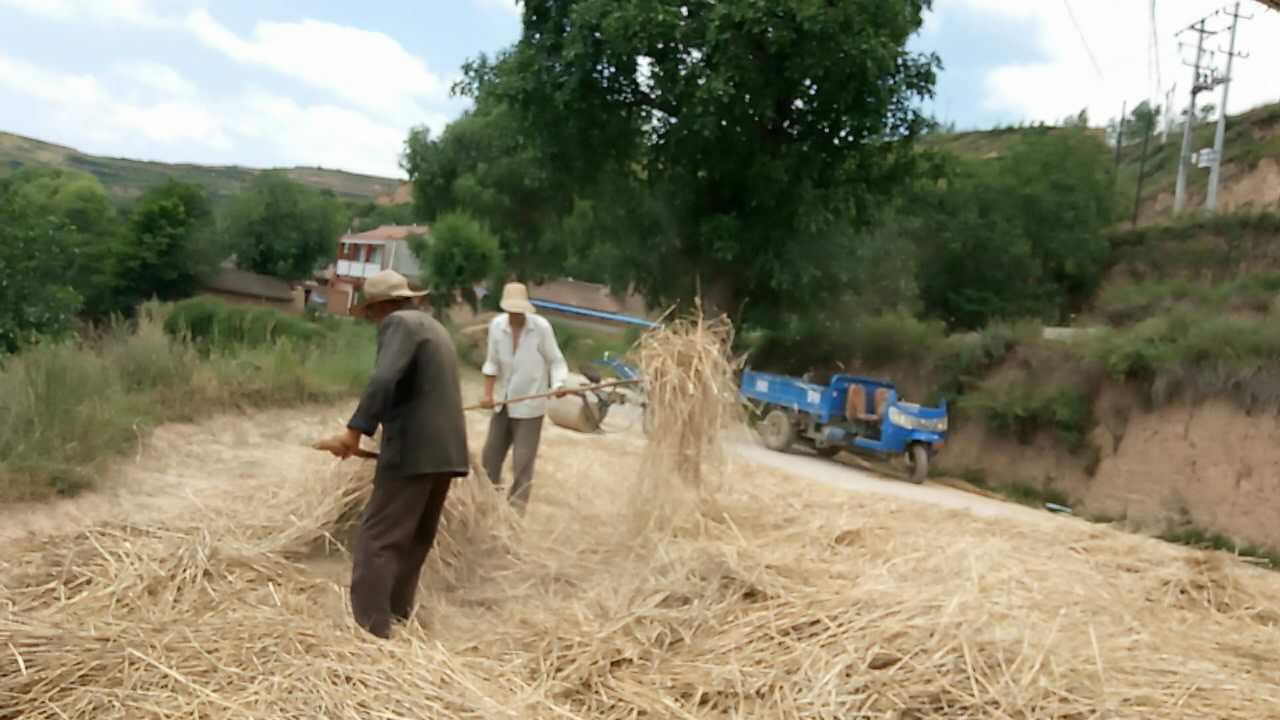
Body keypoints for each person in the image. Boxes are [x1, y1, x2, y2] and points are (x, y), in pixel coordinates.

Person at [314, 270, 469, 639]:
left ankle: (370, 630)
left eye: (370, 313)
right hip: (447, 451)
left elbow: (383, 379)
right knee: (414, 537)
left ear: (382, 306)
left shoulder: (398, 324)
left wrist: (354, 432)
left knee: (378, 537)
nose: (371, 320)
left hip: (413, 450)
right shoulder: (433, 326)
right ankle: (398, 616)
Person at [480, 282, 569, 513]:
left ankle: (514, 516)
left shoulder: (541, 329)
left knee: (522, 465)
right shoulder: (496, 327)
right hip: (502, 404)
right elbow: (491, 363)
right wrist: (488, 395)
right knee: (489, 460)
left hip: (530, 407)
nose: (515, 315)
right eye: (511, 310)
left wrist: (559, 384)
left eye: (519, 311)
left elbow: (556, 361)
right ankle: (487, 509)